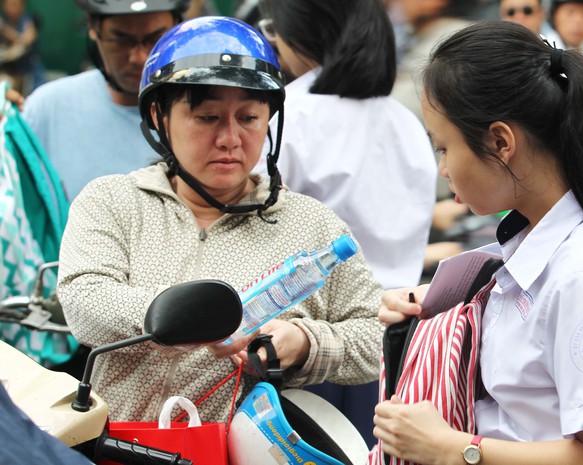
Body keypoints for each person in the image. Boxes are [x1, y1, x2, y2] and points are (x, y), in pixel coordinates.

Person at [372, 21, 583, 465]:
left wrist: (450, 448)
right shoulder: (533, 242)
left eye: (443, 147)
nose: (442, 168)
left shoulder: (581, 279)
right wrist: (429, 304)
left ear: (500, 141)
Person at [57, 16, 384, 424]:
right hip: (113, 445)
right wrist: (196, 316)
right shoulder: (113, 200)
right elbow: (83, 298)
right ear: (160, 117)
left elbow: (376, 337)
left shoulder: (313, 226)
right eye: (208, 118)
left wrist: (305, 342)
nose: (230, 138)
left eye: (248, 118)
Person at [256, 0, 436, 446]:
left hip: (307, 345)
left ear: (302, 35)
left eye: (272, 31)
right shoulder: (404, 121)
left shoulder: (289, 117)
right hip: (393, 337)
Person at [22, 0, 189, 201]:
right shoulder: (47, 108)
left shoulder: (209, 114)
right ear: (93, 28)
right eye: (121, 40)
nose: (138, 57)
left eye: (155, 39)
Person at [0, 0, 44, 94]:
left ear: (22, 6)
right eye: (9, 4)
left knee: (37, 92)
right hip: (8, 68)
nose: (12, 8)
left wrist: (5, 30)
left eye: (15, 4)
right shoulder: (3, 20)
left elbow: (26, 40)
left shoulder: (29, 21)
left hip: (29, 67)